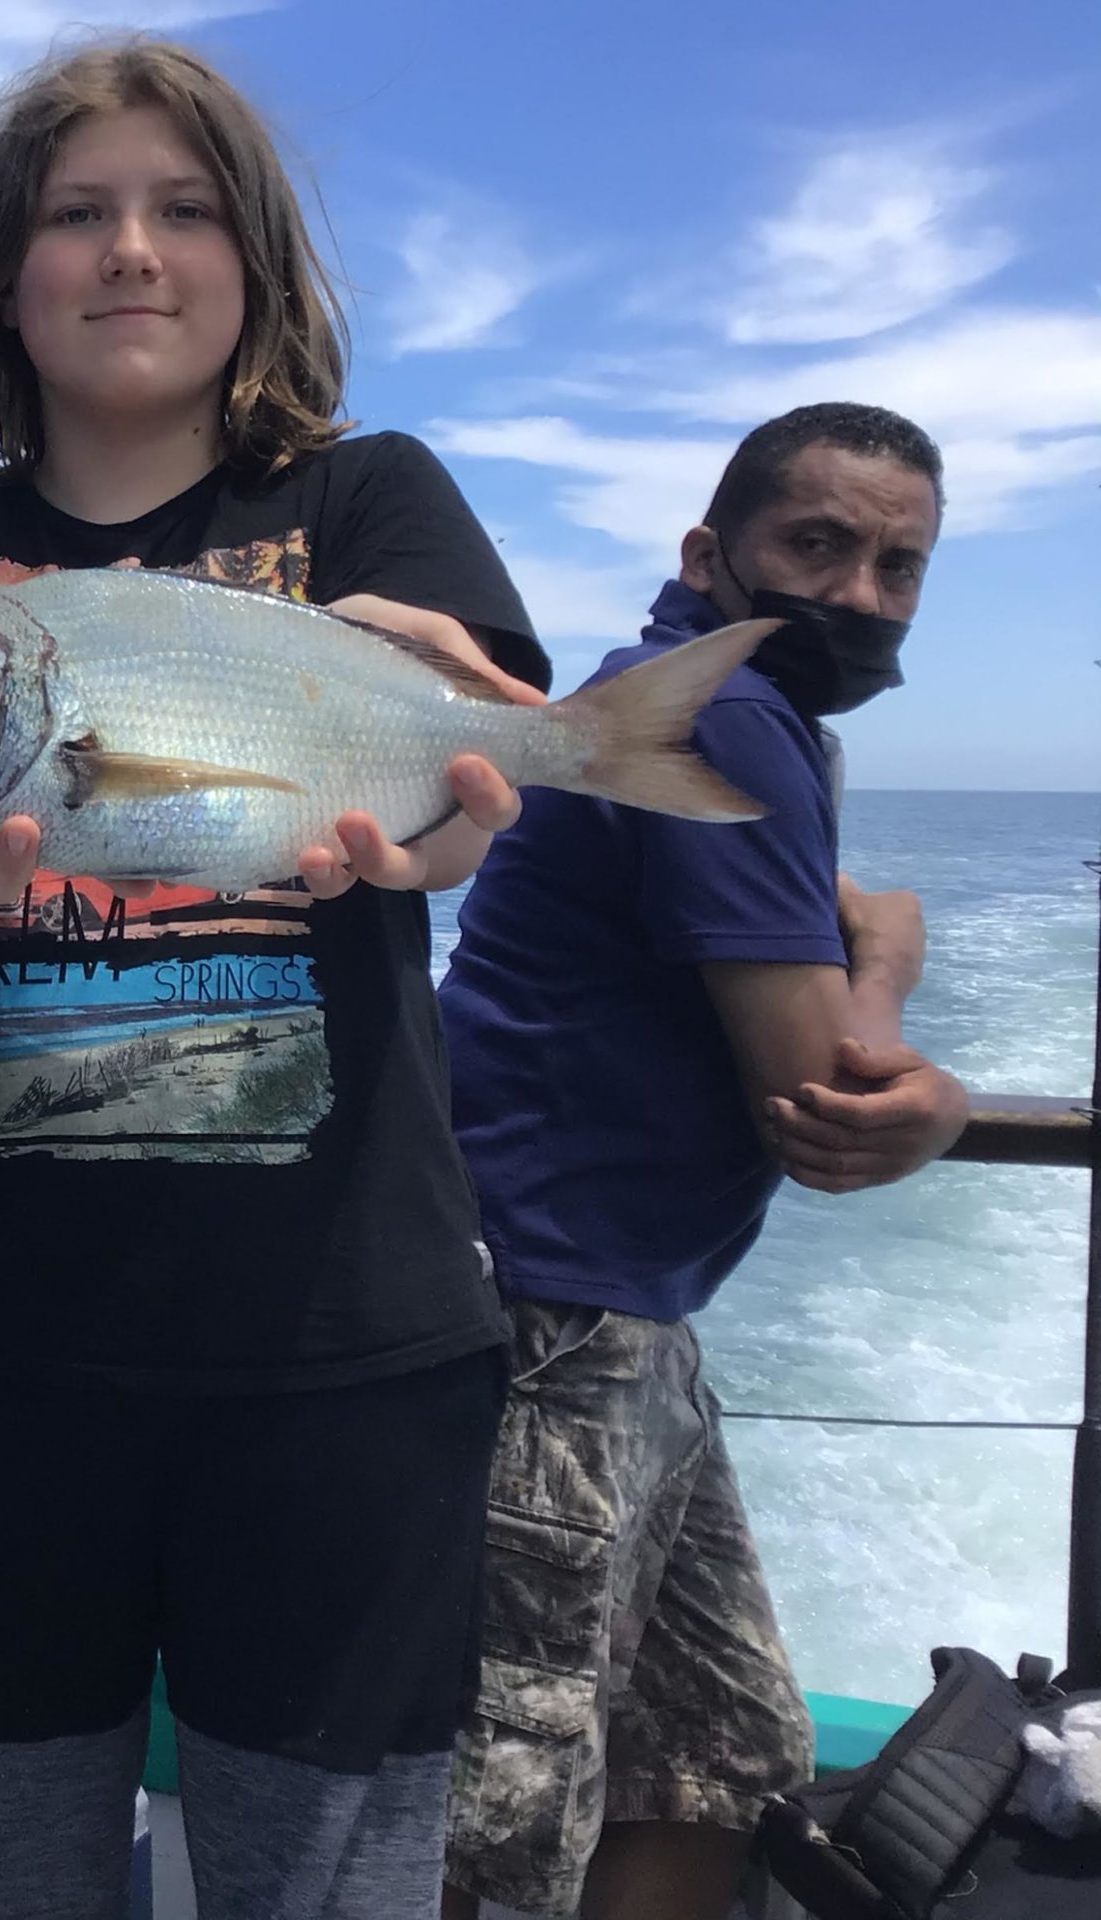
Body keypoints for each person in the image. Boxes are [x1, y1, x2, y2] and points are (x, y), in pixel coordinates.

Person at [0, 39, 550, 1919]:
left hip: (343, 1354)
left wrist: (460, 811)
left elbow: (479, 778)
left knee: (322, 1885)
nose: (132, 250)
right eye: (78, 212)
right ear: (7, 276)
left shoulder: (376, 502)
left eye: (184, 208)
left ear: (258, 264)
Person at [436, 402, 970, 1920]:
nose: (859, 596)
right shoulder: (715, 720)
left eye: (899, 567)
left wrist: (857, 952)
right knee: (509, 1832)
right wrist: (896, 986)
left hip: (629, 1322)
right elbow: (826, 1108)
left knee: (720, 1753)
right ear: (708, 553)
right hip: (544, 1327)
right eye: (818, 545)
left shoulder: (705, 712)